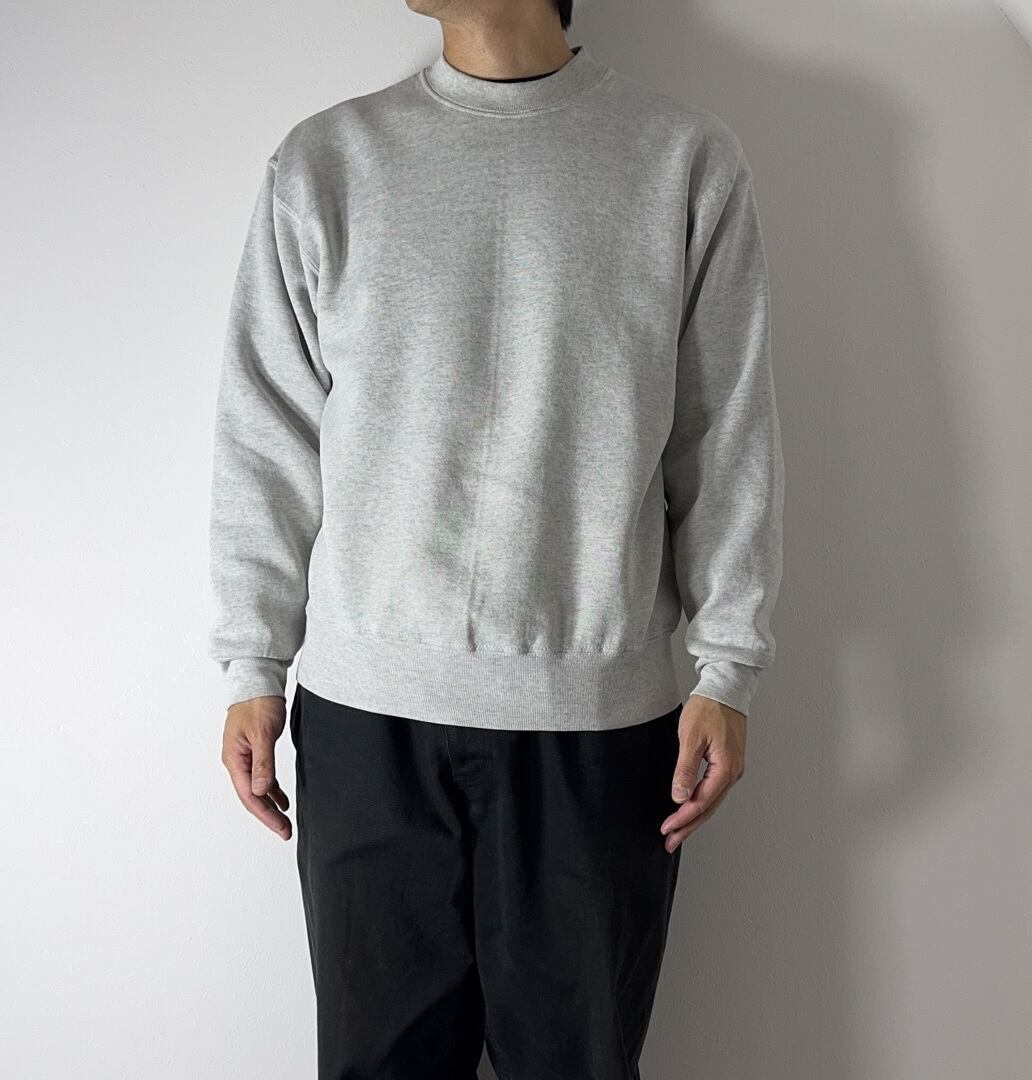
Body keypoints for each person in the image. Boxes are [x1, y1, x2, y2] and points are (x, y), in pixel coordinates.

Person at [207, 1, 785, 1076]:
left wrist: (729, 667)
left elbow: (723, 434)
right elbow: (268, 435)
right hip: (367, 720)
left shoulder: (681, 161)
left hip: (596, 722)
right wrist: (253, 663)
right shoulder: (327, 162)